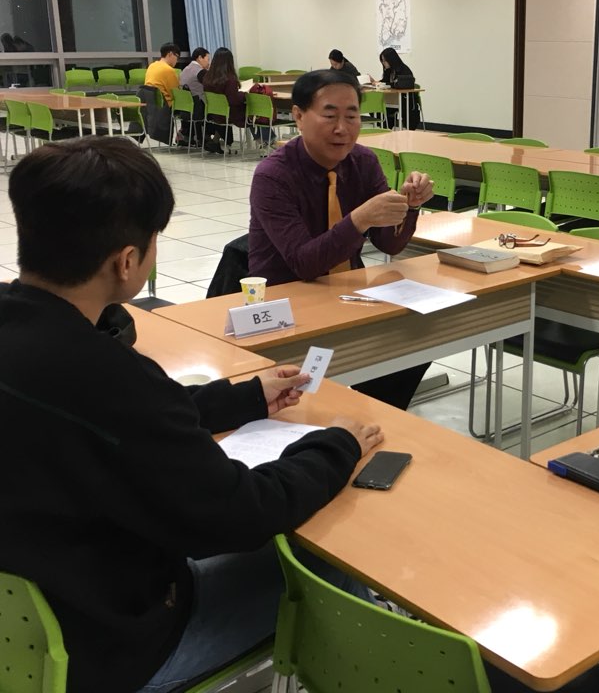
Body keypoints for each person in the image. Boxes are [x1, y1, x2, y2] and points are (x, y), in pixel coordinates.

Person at [0, 136, 384, 693]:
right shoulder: (111, 377)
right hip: (110, 648)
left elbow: (120, 423)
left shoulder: (31, 338)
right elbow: (240, 516)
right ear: (127, 261)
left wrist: (242, 398)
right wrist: (335, 445)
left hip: (23, 623)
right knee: (321, 562)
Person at [249, 69, 434, 410]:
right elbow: (305, 263)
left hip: (346, 294)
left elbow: (389, 245)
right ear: (298, 116)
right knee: (308, 389)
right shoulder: (273, 176)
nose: (342, 128)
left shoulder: (363, 162)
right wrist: (360, 218)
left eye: (352, 116)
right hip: (287, 303)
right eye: (330, 115)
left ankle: (373, 413)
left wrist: (409, 206)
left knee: (418, 336)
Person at [202, 46, 246, 152]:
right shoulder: (230, 79)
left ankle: (215, 141)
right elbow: (233, 100)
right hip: (230, 115)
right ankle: (266, 141)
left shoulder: (208, 77)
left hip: (215, 114)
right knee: (255, 113)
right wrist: (244, 95)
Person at [378, 47, 421, 129]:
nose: (383, 63)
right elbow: (385, 81)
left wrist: (385, 84)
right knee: (378, 107)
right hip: (391, 100)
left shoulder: (404, 70)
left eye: (384, 60)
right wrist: (377, 83)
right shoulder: (389, 70)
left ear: (391, 60)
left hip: (404, 100)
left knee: (390, 109)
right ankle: (386, 127)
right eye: (382, 61)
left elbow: (399, 84)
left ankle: (388, 126)